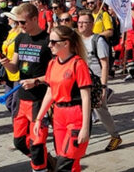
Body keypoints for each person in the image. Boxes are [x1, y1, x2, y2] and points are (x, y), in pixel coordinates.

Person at [0, 3, 52, 171]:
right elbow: (15, 67)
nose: (19, 26)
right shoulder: (21, 38)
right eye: (18, 22)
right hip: (22, 98)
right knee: (20, 141)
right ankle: (46, 160)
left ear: (35, 19)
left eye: (23, 22)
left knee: (37, 143)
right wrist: (6, 64)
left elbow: (54, 74)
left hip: (39, 100)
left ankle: (41, 165)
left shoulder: (48, 40)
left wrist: (36, 81)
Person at [33, 25, 91, 171]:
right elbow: (50, 92)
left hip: (76, 115)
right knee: (68, 160)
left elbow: (86, 97)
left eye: (53, 42)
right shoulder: (52, 63)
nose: (49, 45)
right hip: (58, 115)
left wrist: (85, 127)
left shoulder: (78, 64)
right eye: (49, 41)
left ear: (66, 43)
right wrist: (39, 118)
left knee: (65, 163)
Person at [77, 10, 122, 152]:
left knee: (101, 111)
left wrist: (103, 86)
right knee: (83, 113)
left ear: (92, 24)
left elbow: (105, 64)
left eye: (85, 22)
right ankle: (80, 145)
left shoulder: (98, 40)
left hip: (96, 82)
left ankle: (115, 136)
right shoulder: (76, 40)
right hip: (81, 81)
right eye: (79, 22)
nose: (81, 25)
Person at [0, 7, 21, 115]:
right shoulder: (11, 32)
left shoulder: (21, 34)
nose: (8, 20)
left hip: (17, 72)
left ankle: (19, 128)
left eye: (9, 18)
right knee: (8, 103)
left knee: (15, 104)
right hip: (8, 72)